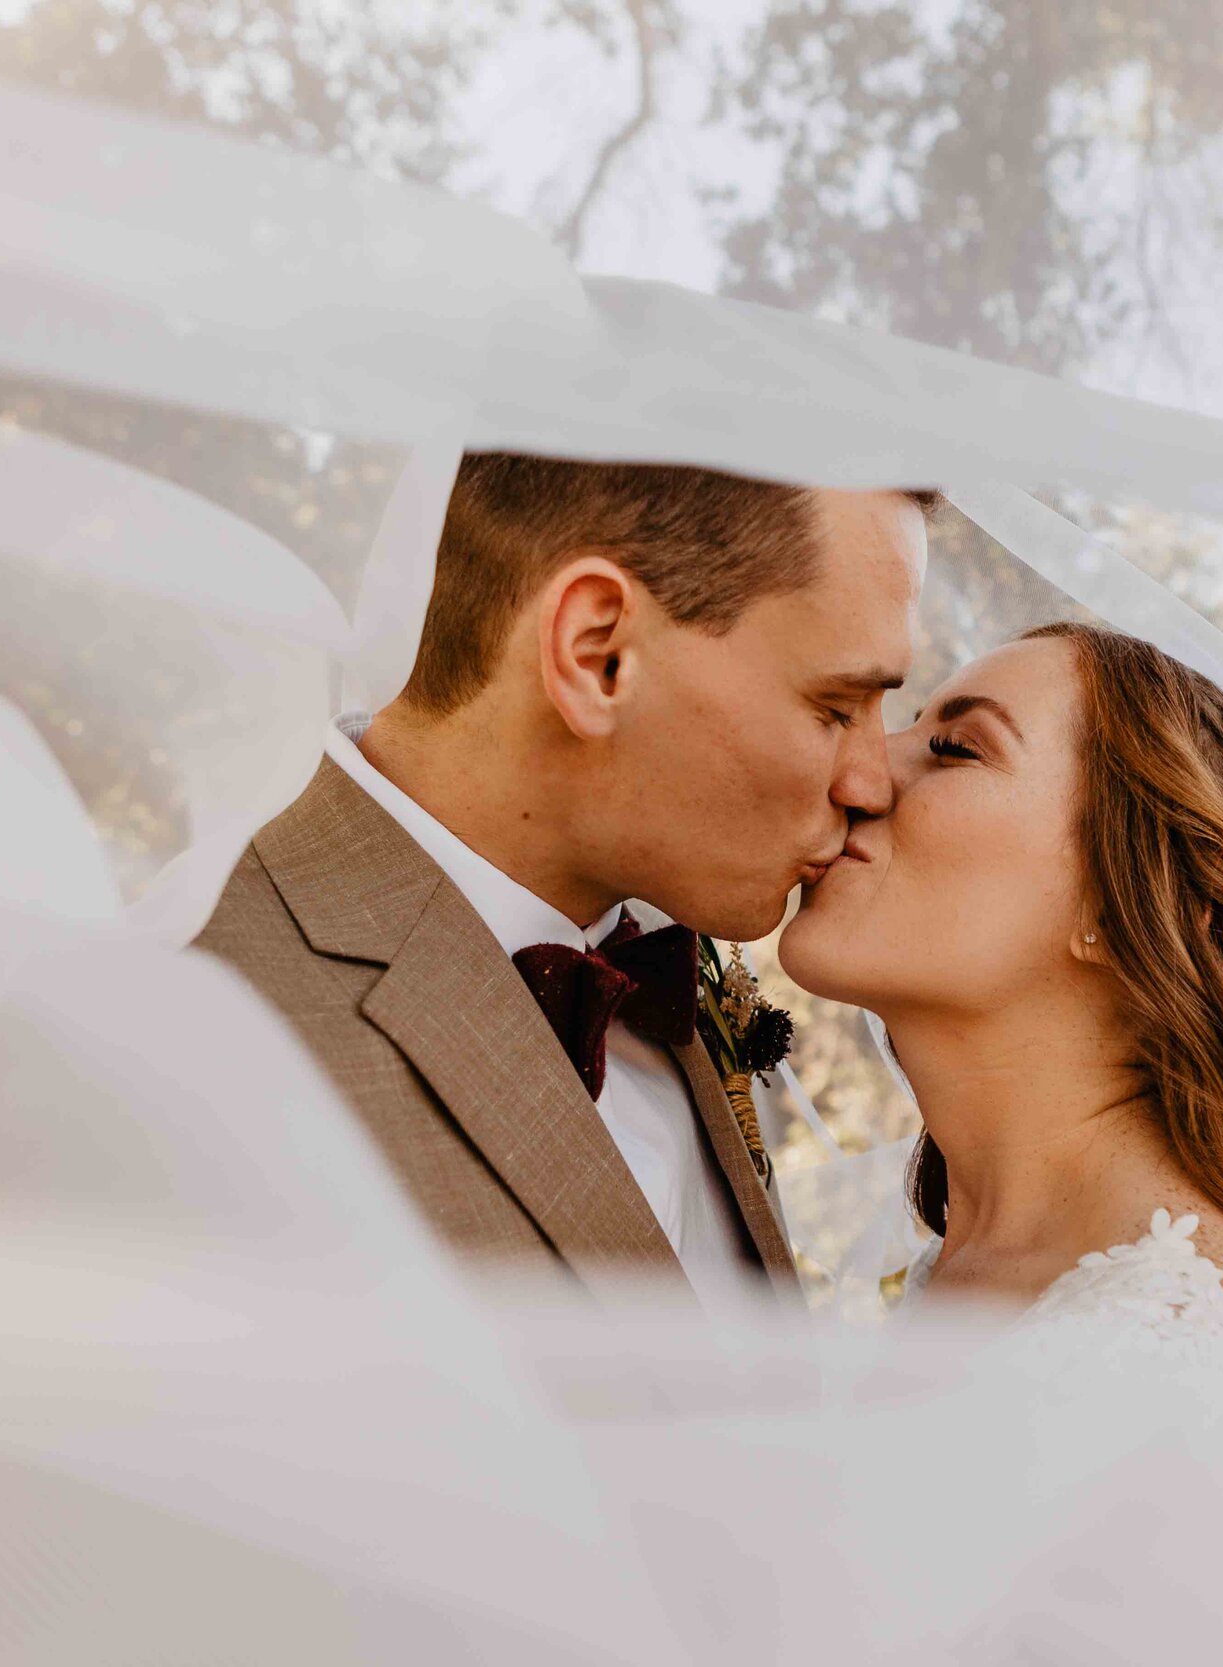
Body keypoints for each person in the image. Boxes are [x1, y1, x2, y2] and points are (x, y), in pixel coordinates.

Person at [780, 621, 1223, 1542]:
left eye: (954, 748)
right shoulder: (991, 1264)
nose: (859, 773)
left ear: (1124, 900)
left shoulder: (1161, 1367)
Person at [194, 452, 936, 1315]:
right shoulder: (200, 1012)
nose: (873, 783)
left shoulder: (678, 971)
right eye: (836, 708)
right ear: (597, 655)